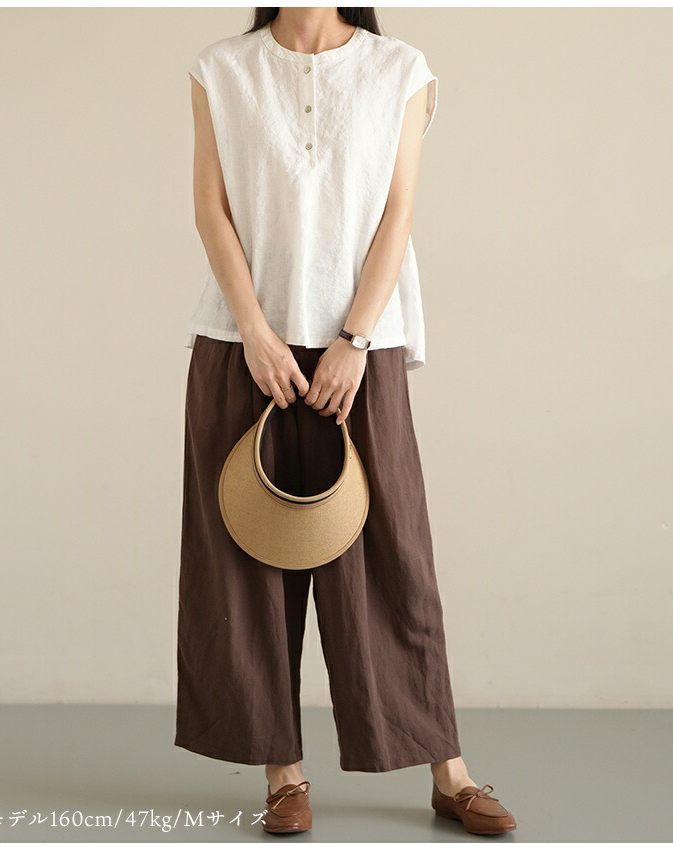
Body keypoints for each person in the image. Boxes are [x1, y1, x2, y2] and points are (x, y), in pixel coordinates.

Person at [175, 7, 516, 836]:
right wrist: (256, 332)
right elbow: (211, 211)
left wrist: (355, 339)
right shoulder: (220, 68)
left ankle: (448, 772)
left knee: (393, 560)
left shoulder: (400, 69)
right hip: (242, 346)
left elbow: (398, 212)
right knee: (245, 561)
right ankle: (281, 775)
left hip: (361, 352)